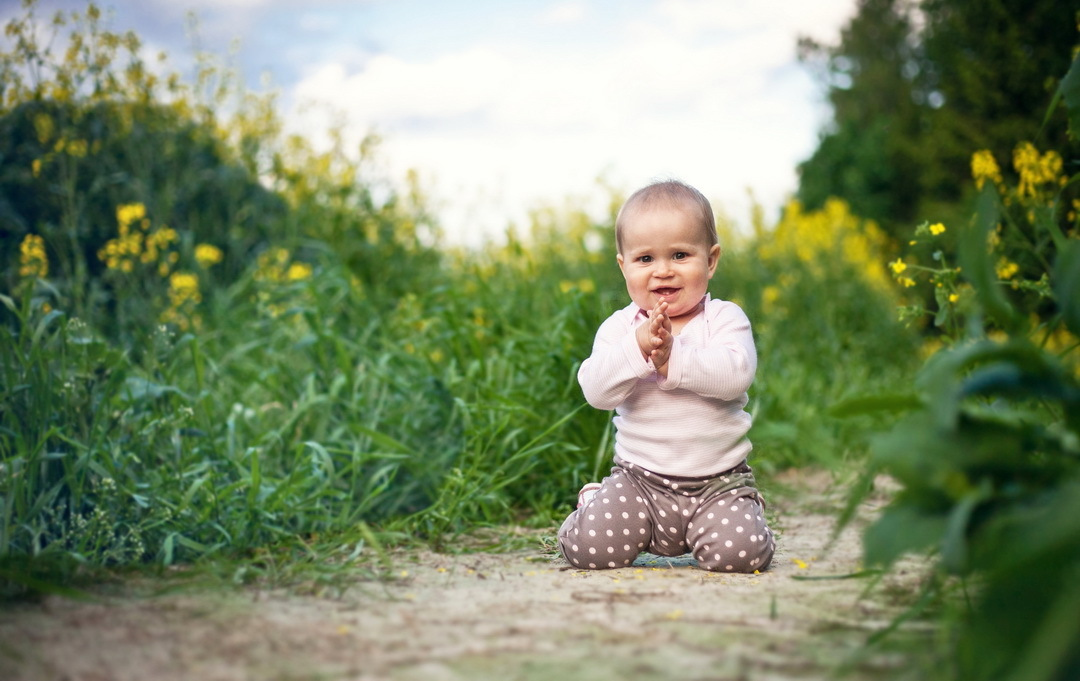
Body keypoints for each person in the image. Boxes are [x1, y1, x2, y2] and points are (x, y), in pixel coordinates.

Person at [558, 179, 776, 573]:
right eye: (645, 260)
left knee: (741, 557)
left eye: (679, 255)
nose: (663, 272)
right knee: (590, 552)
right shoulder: (620, 329)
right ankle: (596, 501)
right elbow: (595, 391)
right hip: (639, 481)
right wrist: (637, 350)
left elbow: (735, 376)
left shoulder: (724, 319)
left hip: (717, 482)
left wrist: (673, 358)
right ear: (623, 266)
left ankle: (748, 513)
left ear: (710, 260)